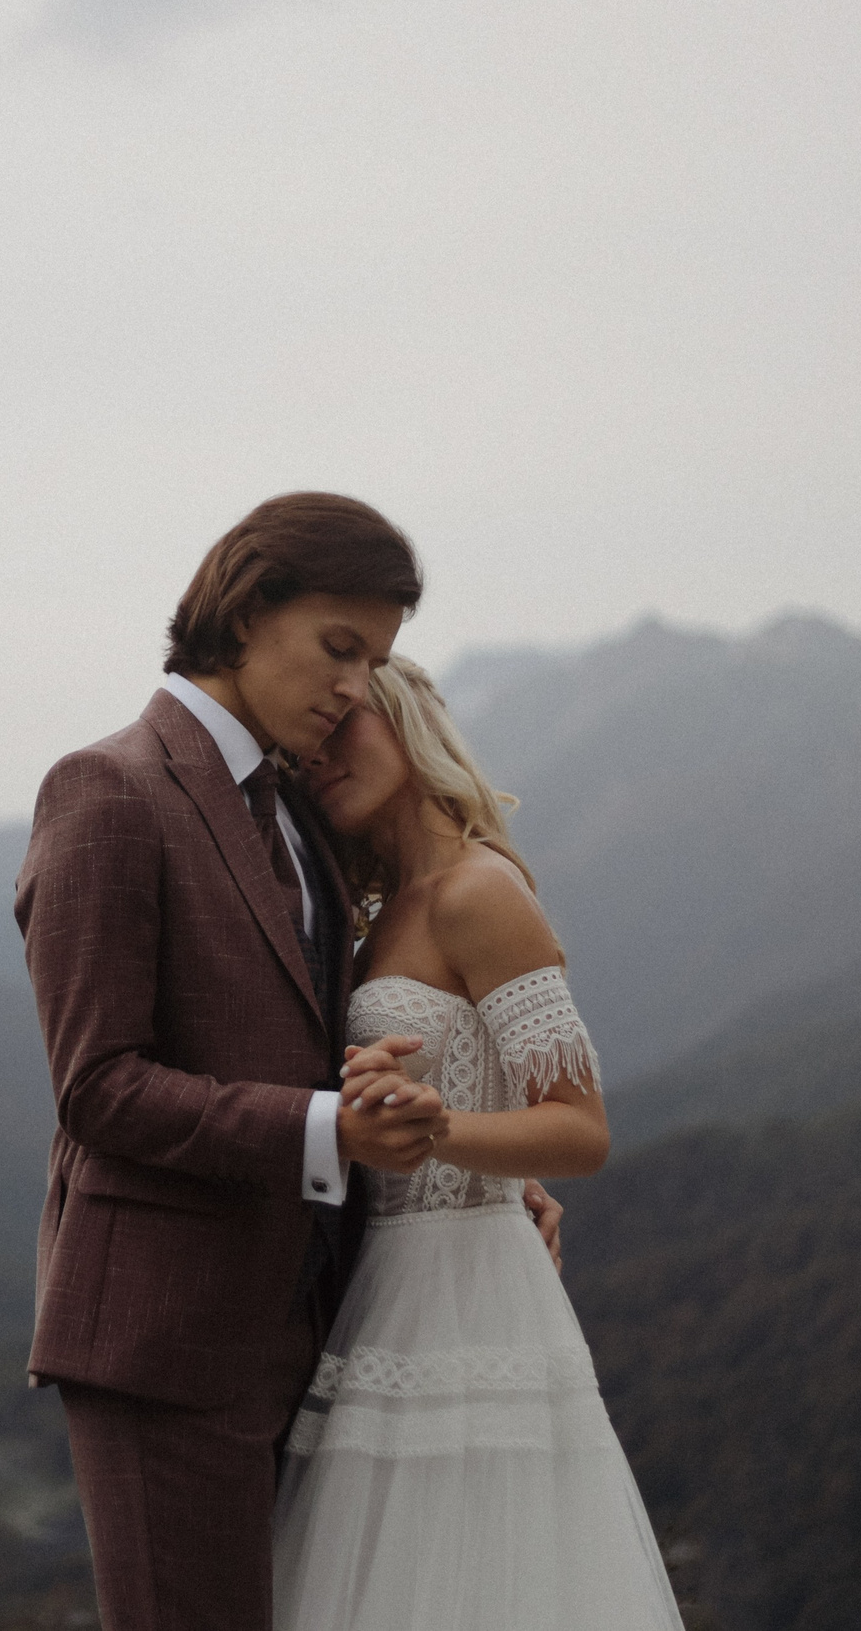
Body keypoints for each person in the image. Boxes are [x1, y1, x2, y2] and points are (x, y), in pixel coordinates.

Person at [14, 494, 560, 1631]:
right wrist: (329, 1132)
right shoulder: (107, 788)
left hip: (316, 1335)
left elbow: (335, 1046)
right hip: (167, 1342)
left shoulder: (298, 814)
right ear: (247, 610)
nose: (354, 687)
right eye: (338, 647)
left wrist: (465, 1170)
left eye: (375, 663)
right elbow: (98, 1086)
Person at [270, 653, 683, 1629]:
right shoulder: (373, 915)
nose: (321, 756)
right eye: (306, 745)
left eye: (347, 723)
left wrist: (439, 1128)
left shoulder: (477, 891)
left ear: (408, 720)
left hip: (471, 1295)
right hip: (382, 1288)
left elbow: (579, 1128)